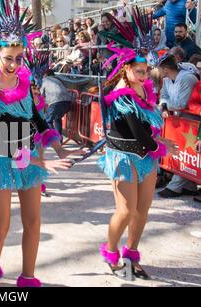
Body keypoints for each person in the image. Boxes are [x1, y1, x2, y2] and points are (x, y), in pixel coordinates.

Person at [0, 0, 81, 287]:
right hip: (1, 158)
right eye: (9, 58)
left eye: (19, 58)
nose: (15, 65)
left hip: (30, 156)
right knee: (1, 226)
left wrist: (57, 146)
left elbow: (37, 120)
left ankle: (28, 278)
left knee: (33, 222)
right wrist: (38, 160)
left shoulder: (24, 83)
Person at [97, 6, 178, 280]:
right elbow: (135, 129)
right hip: (123, 155)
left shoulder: (144, 88)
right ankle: (111, 251)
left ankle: (132, 255)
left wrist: (158, 141)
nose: (145, 76)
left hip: (146, 156)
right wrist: (159, 145)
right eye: (139, 71)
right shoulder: (121, 94)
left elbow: (147, 128)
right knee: (125, 210)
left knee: (142, 211)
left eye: (146, 71)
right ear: (126, 69)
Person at [157, 55, 199, 198]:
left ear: (166, 69)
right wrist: (163, 106)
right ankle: (189, 185)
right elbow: (163, 96)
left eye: (160, 68)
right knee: (180, 151)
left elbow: (182, 103)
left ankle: (176, 186)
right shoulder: (166, 79)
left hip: (192, 121)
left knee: (187, 153)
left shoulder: (187, 78)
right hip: (178, 120)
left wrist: (164, 106)